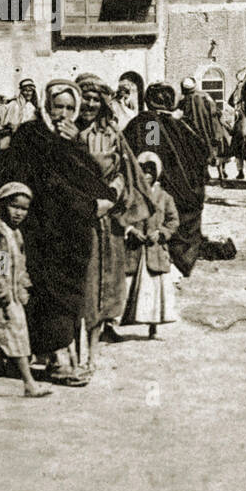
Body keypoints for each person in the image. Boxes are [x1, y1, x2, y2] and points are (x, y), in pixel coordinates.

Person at [0, 80, 116, 387]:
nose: (64, 113)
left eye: (70, 108)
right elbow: (44, 183)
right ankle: (58, 360)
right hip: (41, 228)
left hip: (71, 231)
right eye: (58, 106)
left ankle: (51, 355)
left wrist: (76, 146)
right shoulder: (30, 135)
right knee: (49, 293)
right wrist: (89, 205)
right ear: (46, 106)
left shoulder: (75, 138)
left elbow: (91, 177)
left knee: (67, 293)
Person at [74, 73, 153, 366]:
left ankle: (93, 349)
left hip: (108, 215)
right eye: (86, 98)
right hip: (76, 215)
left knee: (102, 283)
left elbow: (129, 167)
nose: (91, 104)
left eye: (96, 99)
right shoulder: (66, 131)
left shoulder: (121, 129)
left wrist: (115, 194)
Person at [122, 82, 209, 277]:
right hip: (164, 180)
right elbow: (153, 152)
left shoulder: (152, 121)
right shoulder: (168, 122)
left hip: (162, 180)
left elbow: (152, 152)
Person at [0, 183, 50, 398]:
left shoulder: (15, 234)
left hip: (12, 295)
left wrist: (21, 287)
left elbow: (14, 265)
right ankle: (29, 383)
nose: (19, 213)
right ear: (2, 205)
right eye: (14, 206)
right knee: (16, 337)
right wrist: (3, 295)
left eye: (24, 209)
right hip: (2, 299)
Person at [122, 152, 180, 337]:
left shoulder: (165, 197)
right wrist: (131, 230)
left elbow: (173, 221)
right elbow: (121, 216)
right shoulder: (131, 194)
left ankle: (153, 326)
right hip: (136, 249)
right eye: (143, 171)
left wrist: (161, 233)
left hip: (155, 250)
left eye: (150, 171)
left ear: (157, 173)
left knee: (155, 288)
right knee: (132, 287)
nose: (146, 175)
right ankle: (124, 321)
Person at [178, 76, 226, 167]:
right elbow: (215, 111)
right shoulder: (205, 96)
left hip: (191, 129)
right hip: (207, 128)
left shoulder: (183, 100)